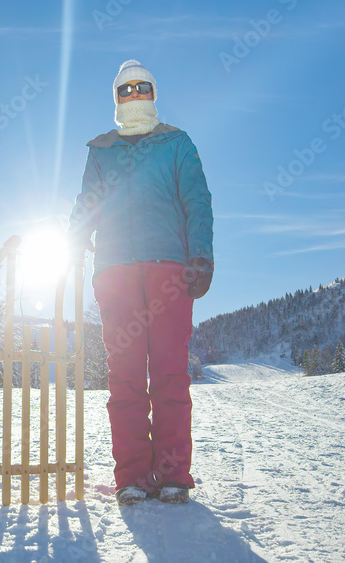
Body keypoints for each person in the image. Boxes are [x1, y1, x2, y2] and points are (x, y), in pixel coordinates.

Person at [68, 60, 213, 506]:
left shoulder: (176, 143)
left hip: (169, 269)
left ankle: (172, 476)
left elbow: (197, 199)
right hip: (115, 272)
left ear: (153, 92)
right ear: (116, 98)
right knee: (125, 376)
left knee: (169, 372)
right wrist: (71, 245)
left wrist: (201, 254)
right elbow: (87, 204)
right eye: (125, 89)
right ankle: (131, 476)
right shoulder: (102, 149)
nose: (134, 94)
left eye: (141, 87)